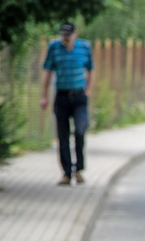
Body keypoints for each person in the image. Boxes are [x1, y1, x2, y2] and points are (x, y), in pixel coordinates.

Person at [40, 21, 94, 186]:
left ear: (75, 33)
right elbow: (48, 71)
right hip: (62, 96)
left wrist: (89, 90)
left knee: (80, 130)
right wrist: (44, 95)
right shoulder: (54, 47)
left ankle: (78, 169)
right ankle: (66, 173)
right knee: (62, 136)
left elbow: (91, 68)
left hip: (79, 96)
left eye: (68, 35)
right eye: (63, 35)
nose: (66, 38)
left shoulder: (85, 47)